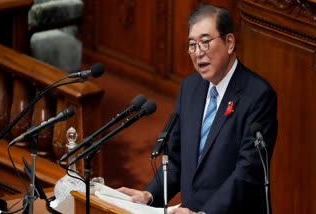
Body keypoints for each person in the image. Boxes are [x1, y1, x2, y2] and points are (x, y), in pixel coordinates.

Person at [118, 5, 277, 214]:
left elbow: (247, 173)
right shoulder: (190, 88)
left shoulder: (258, 95)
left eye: (205, 42)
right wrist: (150, 195)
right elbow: (177, 161)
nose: (197, 53)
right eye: (192, 45)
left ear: (229, 43)